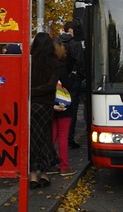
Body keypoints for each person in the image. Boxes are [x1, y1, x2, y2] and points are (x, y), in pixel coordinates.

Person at [29, 32, 59, 189]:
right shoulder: (54, 63)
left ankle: (32, 174)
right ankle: (44, 174)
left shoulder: (29, 61)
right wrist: (37, 91)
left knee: (32, 139)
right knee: (45, 138)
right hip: (46, 105)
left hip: (31, 105)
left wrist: (30, 92)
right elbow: (51, 85)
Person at [49, 39, 77, 177]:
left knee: (52, 136)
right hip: (63, 106)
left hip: (51, 104)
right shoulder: (61, 66)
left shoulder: (47, 65)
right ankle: (64, 166)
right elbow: (68, 84)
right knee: (63, 136)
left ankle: (47, 163)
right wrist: (74, 75)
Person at [58, 21, 86, 149]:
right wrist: (81, 75)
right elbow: (80, 62)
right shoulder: (75, 43)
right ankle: (69, 138)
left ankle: (56, 138)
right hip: (73, 81)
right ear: (71, 30)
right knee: (71, 110)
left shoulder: (56, 42)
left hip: (57, 81)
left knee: (57, 108)